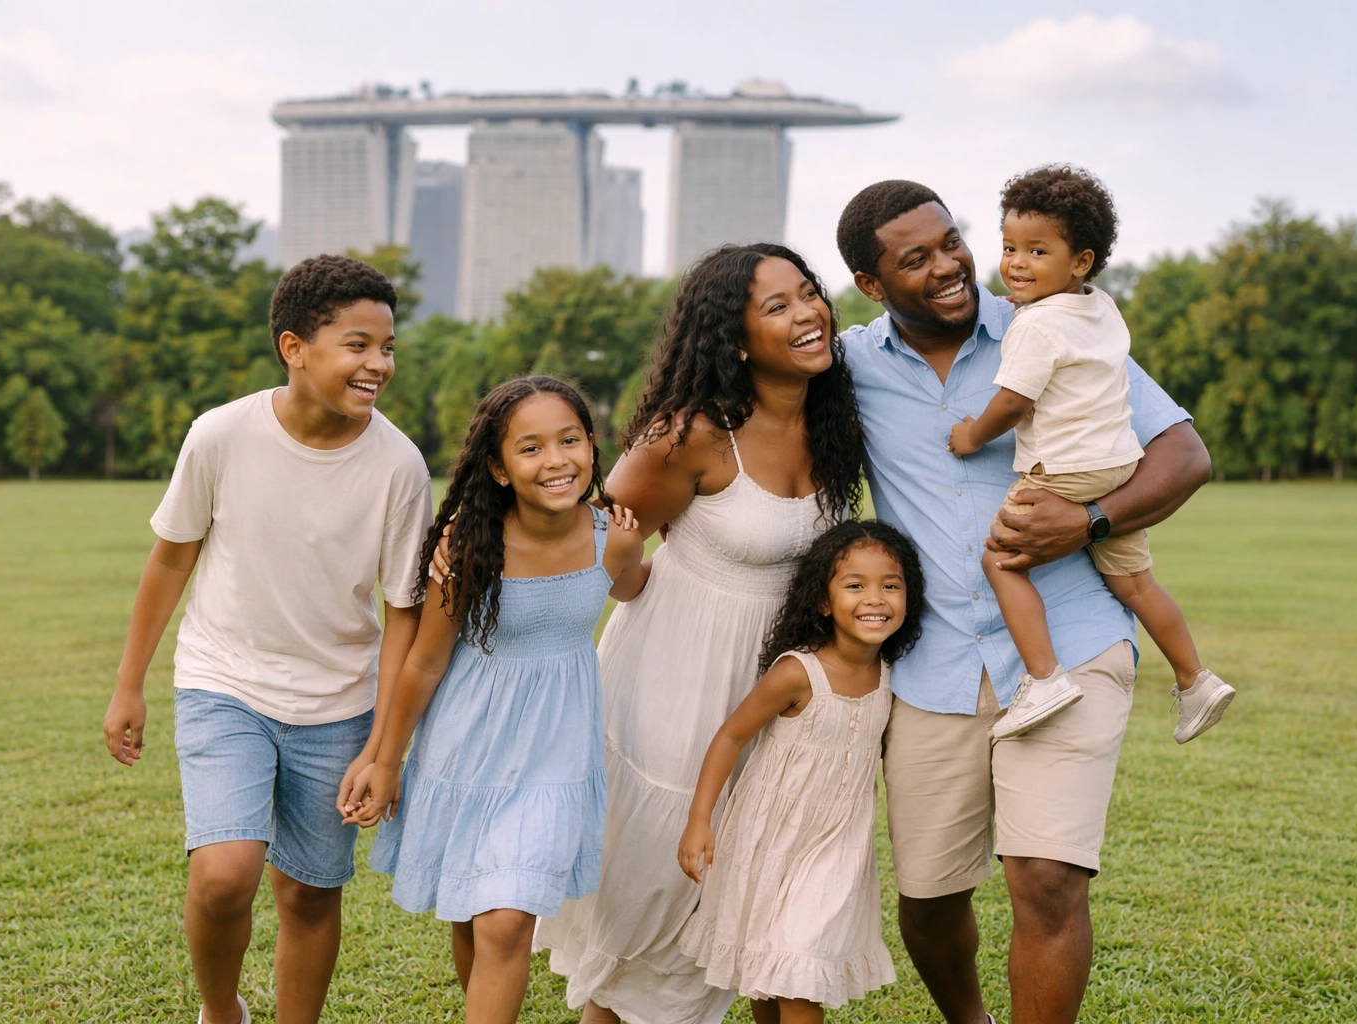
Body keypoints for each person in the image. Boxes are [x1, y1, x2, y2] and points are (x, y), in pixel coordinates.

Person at [834, 180, 1212, 1024]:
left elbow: (1184, 452)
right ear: (871, 283)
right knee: (928, 900)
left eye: (952, 240)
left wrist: (1090, 521)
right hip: (932, 667)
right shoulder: (853, 367)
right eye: (916, 258)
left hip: (1071, 645)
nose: (950, 266)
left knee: (1046, 879)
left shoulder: (1053, 323)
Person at [531, 243, 865, 1024]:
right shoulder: (691, 434)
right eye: (777, 306)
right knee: (658, 912)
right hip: (675, 684)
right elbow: (597, 538)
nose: (808, 312)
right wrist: (631, 577)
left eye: (808, 293)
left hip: (776, 689)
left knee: (753, 910)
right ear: (737, 339)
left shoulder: (836, 420)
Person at [101, 255, 433, 1024]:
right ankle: (222, 1011)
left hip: (337, 702)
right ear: (295, 347)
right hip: (225, 683)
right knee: (224, 875)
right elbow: (171, 557)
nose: (377, 364)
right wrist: (128, 684)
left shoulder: (400, 467)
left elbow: (402, 617)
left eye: (386, 347)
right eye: (357, 345)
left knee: (311, 890)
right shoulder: (221, 436)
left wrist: (383, 750)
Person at [346, 376, 645, 1024]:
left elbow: (629, 585)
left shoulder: (609, 533)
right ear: (499, 468)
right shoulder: (470, 545)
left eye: (570, 440)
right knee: (472, 917)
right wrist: (386, 760)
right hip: (469, 749)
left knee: (506, 923)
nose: (556, 460)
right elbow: (425, 661)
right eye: (531, 448)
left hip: (556, 755)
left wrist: (630, 543)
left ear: (593, 448)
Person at [947, 166, 1235, 742]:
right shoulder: (1098, 306)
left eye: (1036, 251)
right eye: (1008, 248)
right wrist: (1030, 300)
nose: (1016, 264)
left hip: (1063, 471)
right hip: (1118, 466)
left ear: (1079, 261)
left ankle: (1045, 678)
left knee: (1000, 562)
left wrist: (973, 436)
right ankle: (1195, 678)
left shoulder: (1034, 329)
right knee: (1134, 584)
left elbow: (1012, 403)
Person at [677, 521, 925, 1024]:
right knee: (766, 969)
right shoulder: (797, 672)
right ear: (823, 601)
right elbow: (730, 736)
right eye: (854, 585)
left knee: (797, 972)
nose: (874, 599)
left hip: (835, 845)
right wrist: (700, 819)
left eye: (890, 585)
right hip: (766, 839)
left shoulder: (896, 677)